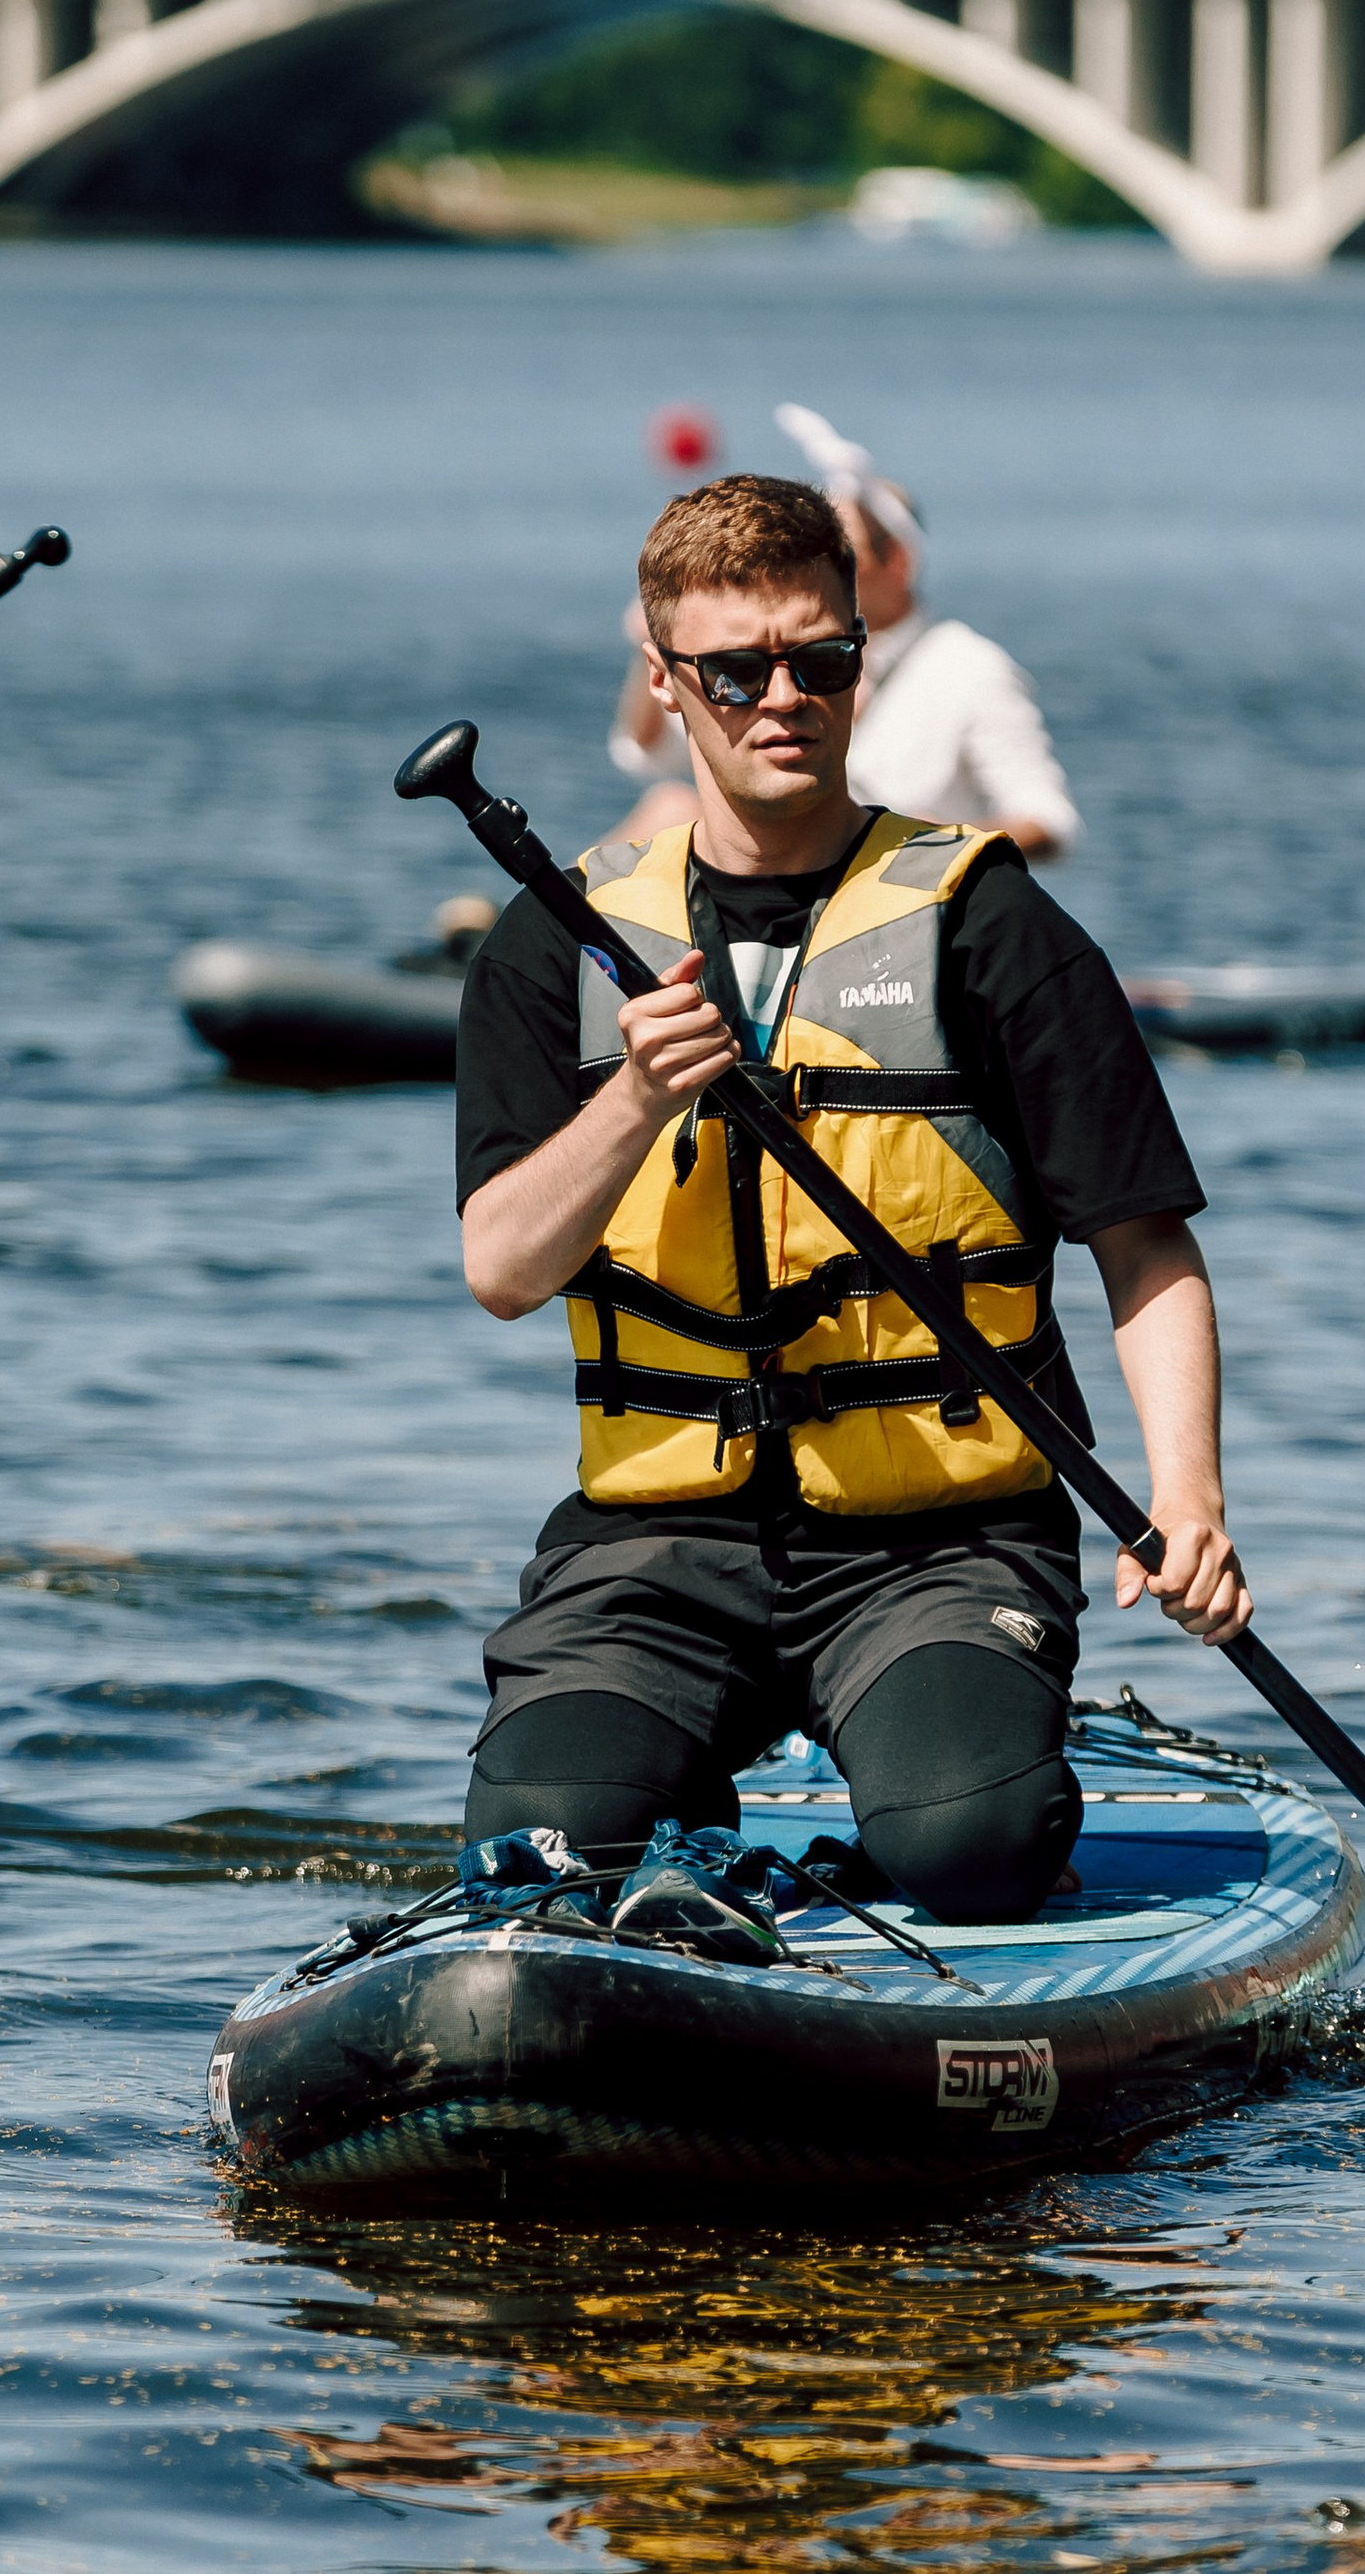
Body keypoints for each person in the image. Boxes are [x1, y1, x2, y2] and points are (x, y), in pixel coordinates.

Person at [457, 471, 1244, 1931]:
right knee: (534, 1850)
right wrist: (633, 1100)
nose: (782, 699)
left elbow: (1147, 1244)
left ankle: (965, 1779)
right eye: (736, 670)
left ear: (859, 661)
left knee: (974, 1851)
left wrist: (1185, 1497)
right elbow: (502, 1269)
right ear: (664, 681)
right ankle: (670, 1814)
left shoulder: (987, 923)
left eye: (820, 660)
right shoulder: (558, 945)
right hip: (655, 1546)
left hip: (943, 1542)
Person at [604, 408, 1082, 860]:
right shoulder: (775, 656)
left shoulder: (969, 666)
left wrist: (932, 843)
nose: (819, 563)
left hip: (907, 900)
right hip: (794, 885)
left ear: (899, 561)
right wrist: (660, 642)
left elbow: (1050, 821)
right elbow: (646, 754)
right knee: (670, 808)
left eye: (841, 548)